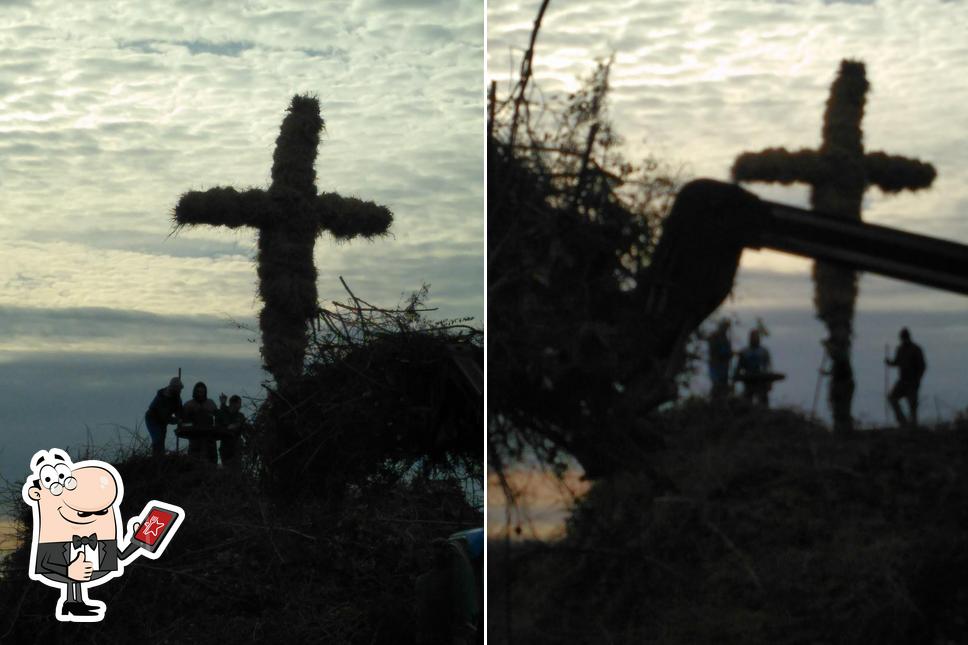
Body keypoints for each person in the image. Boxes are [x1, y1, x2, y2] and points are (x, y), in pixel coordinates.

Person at [886, 327, 926, 427]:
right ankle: (903, 422)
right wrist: (889, 363)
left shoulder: (916, 349)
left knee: (912, 406)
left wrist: (918, 380)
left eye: (904, 337)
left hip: (912, 381)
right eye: (902, 338)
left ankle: (913, 428)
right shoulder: (900, 349)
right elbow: (897, 362)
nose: (903, 340)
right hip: (902, 381)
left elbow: (922, 366)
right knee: (892, 398)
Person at [144, 377, 183, 457]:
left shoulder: (176, 397)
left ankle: (160, 457)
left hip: (162, 421)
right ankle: (156, 458)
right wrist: (176, 421)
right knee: (157, 438)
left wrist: (180, 417)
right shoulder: (162, 398)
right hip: (152, 419)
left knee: (161, 439)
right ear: (173, 388)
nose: (180, 391)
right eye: (178, 389)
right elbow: (165, 417)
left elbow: (179, 410)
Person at [733, 329, 773, 406]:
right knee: (747, 401)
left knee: (763, 401)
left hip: (762, 380)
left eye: (756, 337)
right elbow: (739, 366)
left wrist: (769, 382)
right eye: (753, 337)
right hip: (749, 380)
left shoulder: (763, 351)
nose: (754, 339)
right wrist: (735, 377)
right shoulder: (745, 351)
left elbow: (768, 366)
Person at [181, 381, 218, 463]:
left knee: (211, 460)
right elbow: (183, 423)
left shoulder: (210, 404)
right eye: (198, 392)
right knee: (194, 461)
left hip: (209, 438)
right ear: (195, 392)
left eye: (202, 392)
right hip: (195, 437)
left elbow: (218, 417)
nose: (200, 394)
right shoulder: (188, 405)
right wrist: (192, 425)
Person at [216, 393, 247, 469]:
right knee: (227, 468)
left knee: (237, 469)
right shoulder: (223, 413)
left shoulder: (240, 416)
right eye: (239, 403)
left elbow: (243, 429)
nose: (240, 406)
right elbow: (218, 426)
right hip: (225, 447)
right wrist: (227, 428)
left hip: (237, 446)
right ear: (234, 403)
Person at [706, 319, 733, 399]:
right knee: (717, 385)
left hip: (723, 367)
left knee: (722, 386)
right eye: (725, 327)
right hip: (716, 365)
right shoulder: (715, 337)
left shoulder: (725, 339)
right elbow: (715, 351)